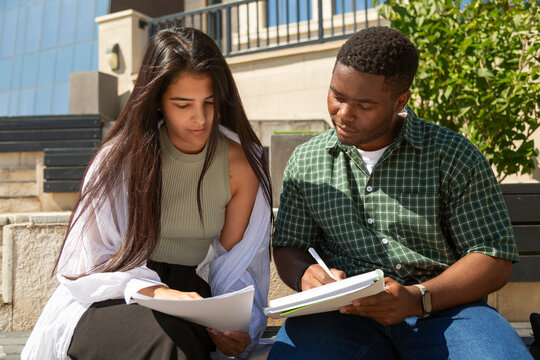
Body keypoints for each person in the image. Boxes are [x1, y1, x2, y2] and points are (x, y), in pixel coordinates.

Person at [269, 26, 533, 359]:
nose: (344, 113)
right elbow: (289, 244)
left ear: (400, 101)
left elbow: (493, 256)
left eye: (364, 105)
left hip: (444, 311)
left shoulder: (452, 155)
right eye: (337, 95)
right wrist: (306, 275)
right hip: (340, 319)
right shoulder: (307, 160)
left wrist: (417, 297)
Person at [22, 27, 272, 360]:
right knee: (170, 344)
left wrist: (236, 327)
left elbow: (238, 265)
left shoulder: (241, 164)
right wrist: (156, 291)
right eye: (183, 105)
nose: (200, 119)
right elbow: (89, 265)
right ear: (157, 102)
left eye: (209, 103)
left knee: (189, 341)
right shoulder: (120, 161)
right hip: (115, 296)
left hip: (192, 298)